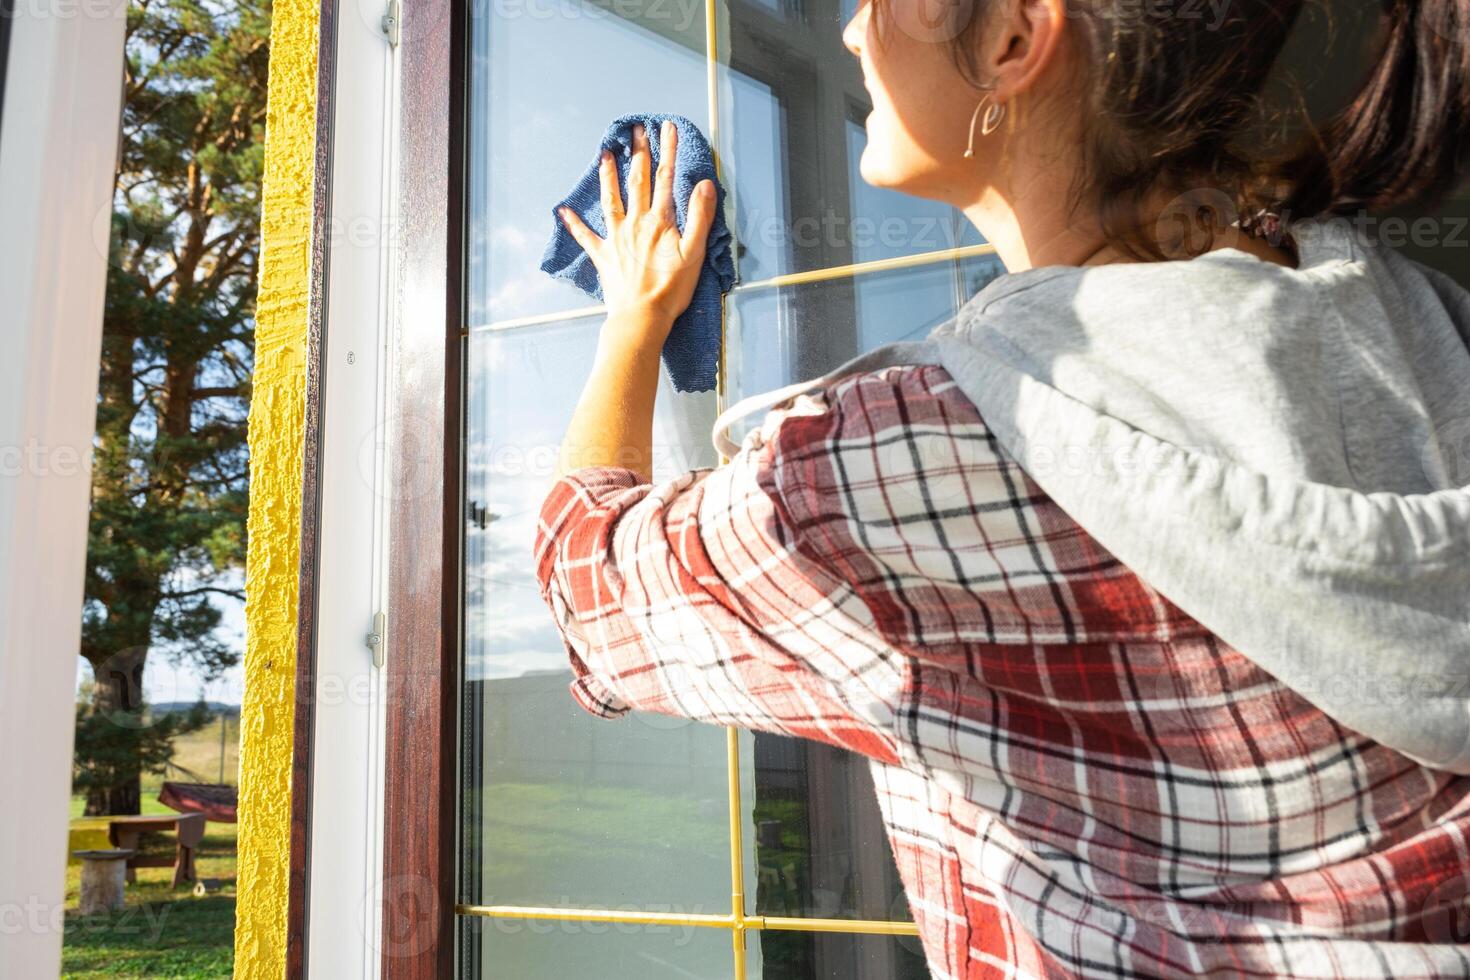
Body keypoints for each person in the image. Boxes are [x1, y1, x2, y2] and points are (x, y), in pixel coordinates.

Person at [542, 0, 1470, 976]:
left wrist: (635, 323)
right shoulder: (1393, 304)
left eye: (878, 4)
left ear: (1015, 38)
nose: (853, 32)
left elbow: (586, 580)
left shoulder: (905, 463)